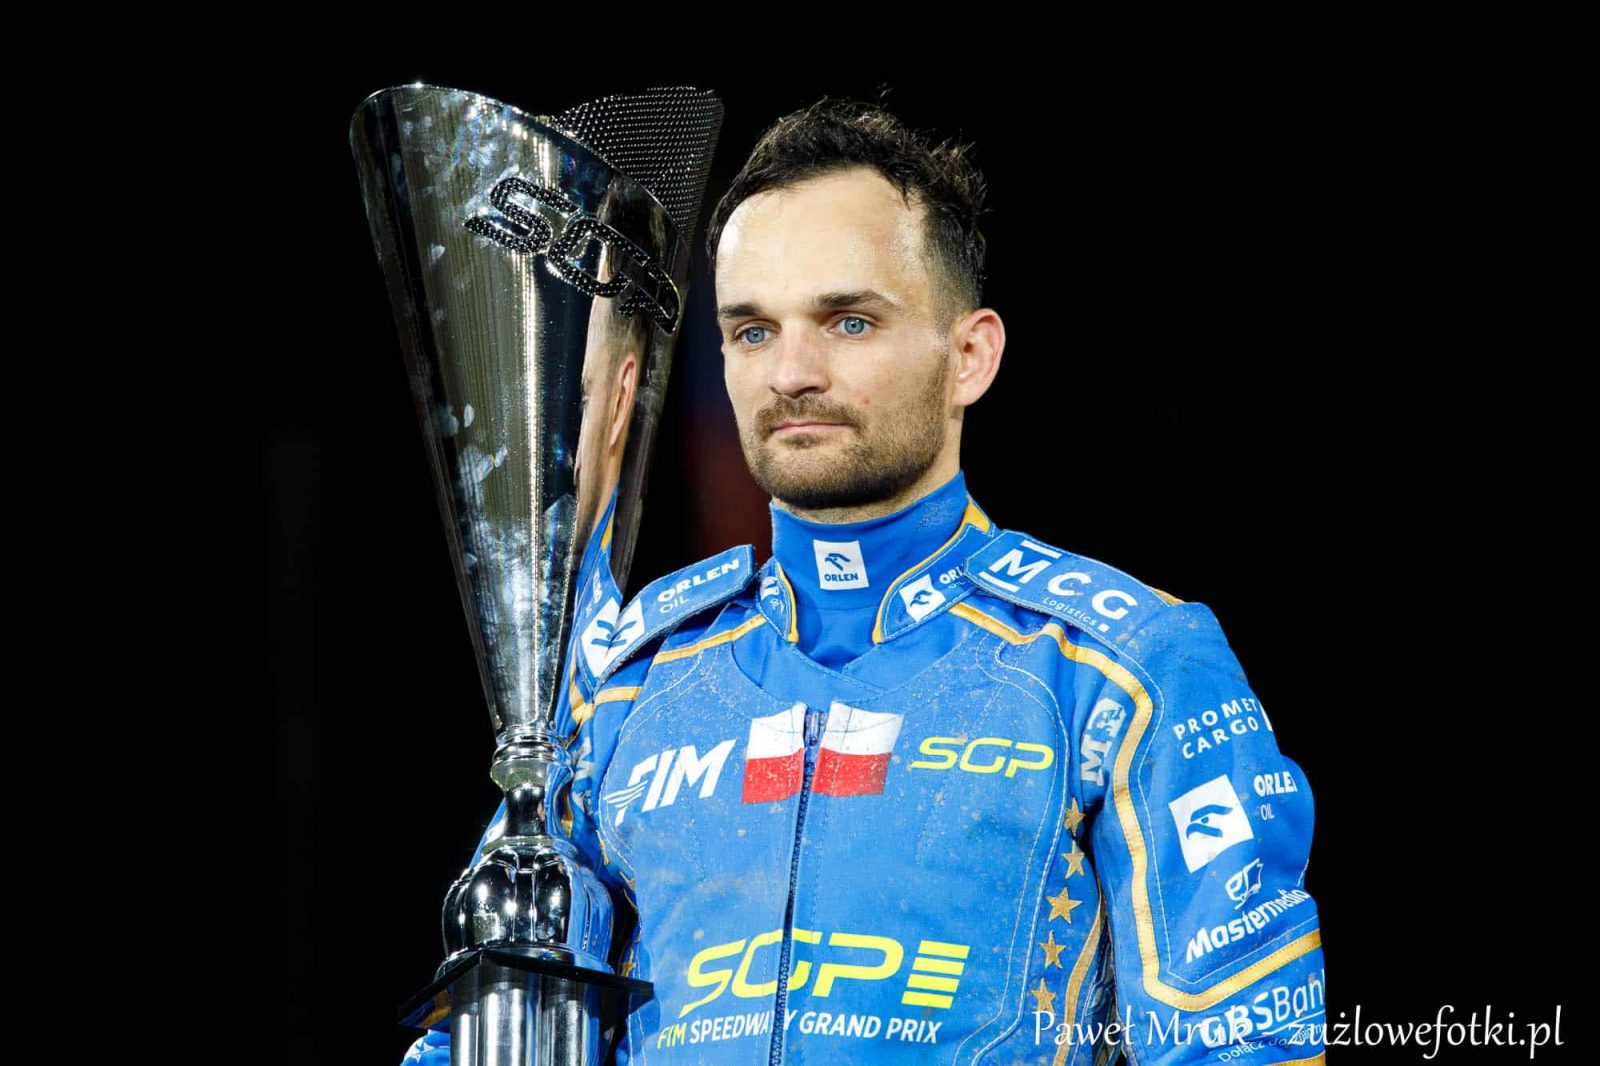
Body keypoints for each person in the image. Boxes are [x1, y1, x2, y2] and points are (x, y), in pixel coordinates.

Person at [405, 97, 1327, 1065]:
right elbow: (479, 1038)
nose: (792, 372)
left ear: (970, 356)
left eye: (848, 321)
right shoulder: (626, 681)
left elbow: (1249, 1046)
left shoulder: (1124, 668)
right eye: (752, 331)